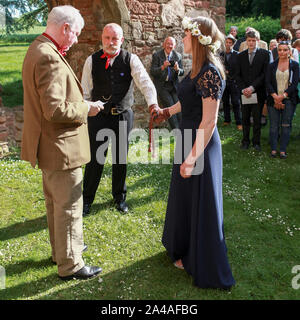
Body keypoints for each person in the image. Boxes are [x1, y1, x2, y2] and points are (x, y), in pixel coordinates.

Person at [152, 16, 235, 289]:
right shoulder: (195, 68)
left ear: (199, 39)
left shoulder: (210, 72)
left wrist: (191, 158)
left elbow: (209, 121)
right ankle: (184, 249)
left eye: (187, 35)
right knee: (186, 198)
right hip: (187, 139)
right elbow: (186, 100)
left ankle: (201, 259)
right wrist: (166, 112)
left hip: (200, 145)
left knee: (201, 201)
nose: (183, 39)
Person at [21, 5, 103, 280]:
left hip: (48, 146)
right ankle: (71, 265)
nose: (77, 39)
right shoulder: (49, 57)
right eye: (76, 33)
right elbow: (54, 110)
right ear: (65, 27)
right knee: (68, 205)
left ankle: (61, 252)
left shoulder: (37, 48)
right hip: (61, 147)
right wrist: (86, 108)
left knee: (55, 203)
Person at [81, 23, 159, 215]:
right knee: (95, 160)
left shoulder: (131, 59)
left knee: (120, 159)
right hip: (98, 117)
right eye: (107, 38)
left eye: (115, 38)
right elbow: (84, 90)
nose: (111, 42)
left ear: (121, 40)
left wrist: (153, 104)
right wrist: (85, 111)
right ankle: (86, 200)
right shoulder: (91, 61)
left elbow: (145, 83)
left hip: (122, 116)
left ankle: (119, 198)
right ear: (102, 39)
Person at [235, 29, 270, 151]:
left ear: (258, 41)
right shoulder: (240, 56)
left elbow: (264, 74)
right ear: (246, 41)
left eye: (254, 41)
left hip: (257, 92)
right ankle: (245, 141)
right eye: (249, 40)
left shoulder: (265, 54)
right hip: (244, 92)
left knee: (256, 118)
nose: (251, 43)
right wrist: (244, 89)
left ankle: (256, 142)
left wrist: (252, 87)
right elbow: (237, 75)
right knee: (244, 118)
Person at [266, 41, 299, 159]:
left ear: (289, 51)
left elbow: (294, 84)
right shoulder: (271, 65)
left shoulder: (294, 65)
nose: (282, 52)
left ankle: (283, 150)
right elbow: (268, 83)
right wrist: (276, 97)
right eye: (280, 50)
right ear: (277, 51)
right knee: (274, 125)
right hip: (273, 99)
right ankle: (274, 149)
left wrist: (282, 97)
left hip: (289, 99)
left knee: (286, 125)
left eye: (285, 50)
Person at [150, 37, 184, 129]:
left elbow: (182, 72)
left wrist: (177, 69)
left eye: (171, 44)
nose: (169, 46)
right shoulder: (157, 55)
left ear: (174, 46)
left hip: (173, 86)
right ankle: (176, 129)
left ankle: (183, 128)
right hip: (162, 86)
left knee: (178, 106)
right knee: (169, 105)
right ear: (164, 45)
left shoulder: (178, 56)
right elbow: (153, 71)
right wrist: (163, 67)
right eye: (168, 43)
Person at [220, 34, 242, 130]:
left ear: (233, 44)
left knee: (235, 102)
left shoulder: (237, 54)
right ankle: (227, 120)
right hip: (224, 81)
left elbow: (239, 69)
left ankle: (239, 122)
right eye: (226, 42)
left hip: (234, 81)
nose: (228, 44)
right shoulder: (221, 54)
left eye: (230, 43)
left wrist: (231, 73)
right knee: (225, 101)